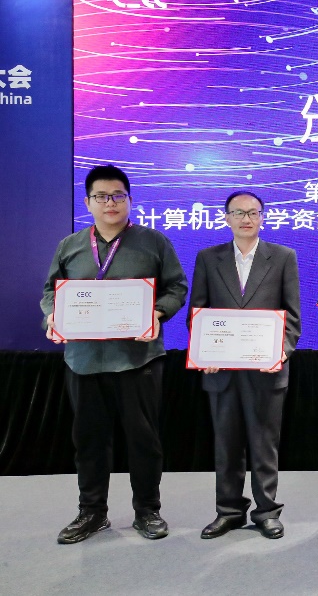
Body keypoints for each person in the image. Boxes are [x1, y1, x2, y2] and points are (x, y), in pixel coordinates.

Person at [41, 164, 188, 544]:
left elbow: (176, 287)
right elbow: (51, 292)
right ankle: (92, 512)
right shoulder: (70, 246)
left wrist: (158, 313)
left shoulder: (153, 242)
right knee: (89, 440)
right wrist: (52, 317)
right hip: (84, 360)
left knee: (143, 440)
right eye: (102, 196)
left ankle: (147, 510)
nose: (111, 203)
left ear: (130, 200)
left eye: (118, 195)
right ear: (88, 202)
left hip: (138, 359)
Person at [189, 191, 301, 540]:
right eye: (238, 213)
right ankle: (229, 511)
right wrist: (203, 352)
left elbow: (292, 317)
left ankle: (267, 511)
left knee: (264, 445)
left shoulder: (283, 257)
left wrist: (280, 352)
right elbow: (198, 313)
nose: (246, 219)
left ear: (262, 217)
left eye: (253, 213)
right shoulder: (208, 258)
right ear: (226, 218)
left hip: (266, 370)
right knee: (226, 445)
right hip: (222, 372)